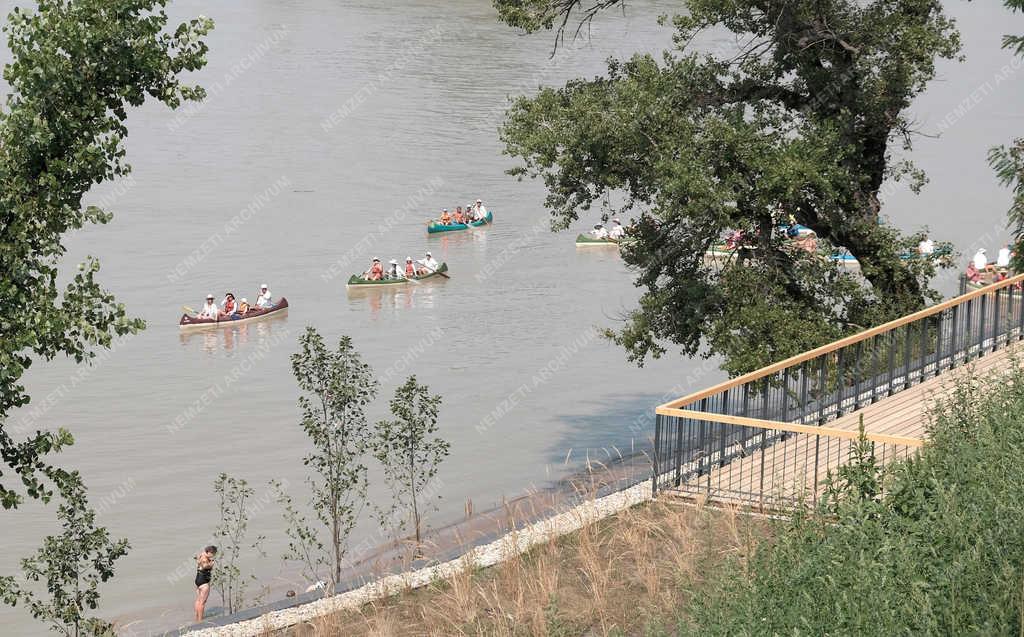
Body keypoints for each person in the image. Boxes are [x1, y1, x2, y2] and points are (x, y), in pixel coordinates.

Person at [194, 545, 217, 622]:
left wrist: (209, 560)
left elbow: (198, 560)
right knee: (202, 602)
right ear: (209, 552)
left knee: (198, 600)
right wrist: (211, 564)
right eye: (213, 553)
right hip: (203, 581)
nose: (213, 555)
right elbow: (204, 566)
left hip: (198, 579)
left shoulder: (201, 555)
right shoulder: (204, 558)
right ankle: (200, 621)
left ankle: (197, 618)